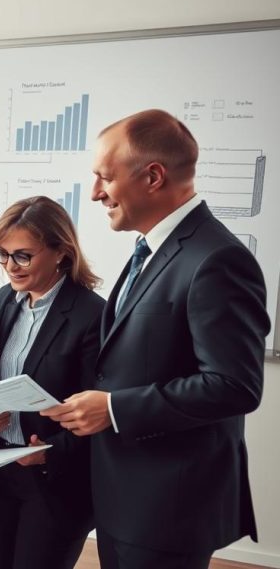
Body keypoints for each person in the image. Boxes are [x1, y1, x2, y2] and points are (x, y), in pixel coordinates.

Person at [42, 109, 270, 569]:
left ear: (152, 177)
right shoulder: (152, 247)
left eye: (105, 177)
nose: (95, 193)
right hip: (125, 496)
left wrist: (113, 408)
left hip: (168, 506)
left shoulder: (217, 259)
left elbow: (234, 385)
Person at [0, 196, 104, 569]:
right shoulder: (5, 301)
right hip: (2, 470)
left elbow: (100, 411)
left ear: (61, 251)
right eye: (2, 254)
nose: (10, 266)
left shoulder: (92, 315)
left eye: (23, 256)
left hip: (55, 480)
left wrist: (52, 450)